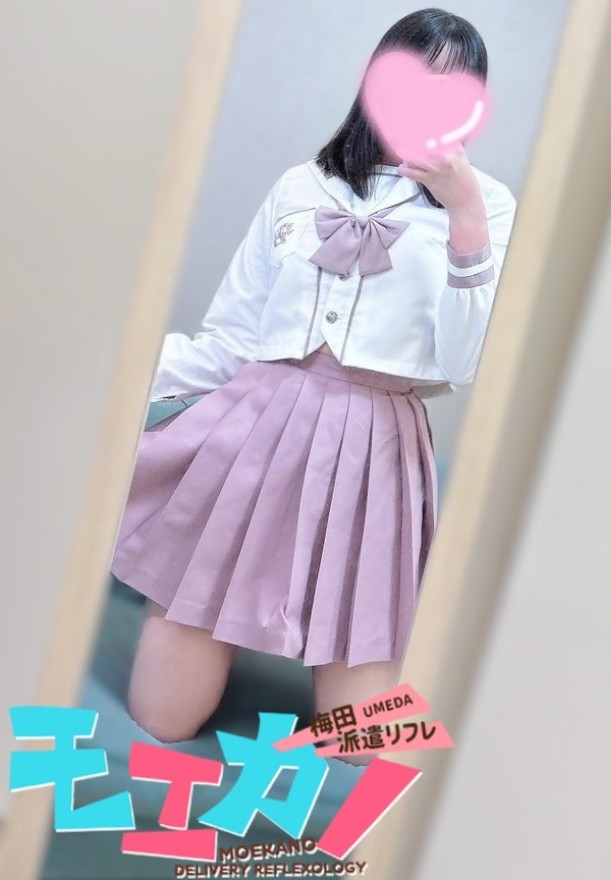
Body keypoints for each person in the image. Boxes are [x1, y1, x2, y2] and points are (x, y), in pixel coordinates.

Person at [110, 7, 517, 765]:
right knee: (161, 717)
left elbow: (463, 363)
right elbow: (231, 335)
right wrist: (118, 382)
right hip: (259, 424)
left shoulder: (488, 204)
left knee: (363, 744)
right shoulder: (301, 186)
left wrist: (464, 219)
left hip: (376, 443)